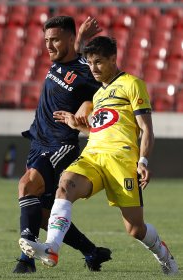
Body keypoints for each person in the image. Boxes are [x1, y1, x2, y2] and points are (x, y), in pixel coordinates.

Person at [19, 36, 179, 276]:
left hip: (121, 160)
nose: (93, 68)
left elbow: (146, 129)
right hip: (93, 155)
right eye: (90, 63)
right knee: (65, 185)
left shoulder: (132, 84)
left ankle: (163, 254)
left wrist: (143, 160)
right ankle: (52, 248)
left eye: (99, 62)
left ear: (113, 59)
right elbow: (101, 128)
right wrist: (76, 125)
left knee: (135, 228)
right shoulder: (97, 96)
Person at [13, 16, 112, 274]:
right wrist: (78, 37)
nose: (49, 46)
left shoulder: (89, 72)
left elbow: (103, 95)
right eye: (46, 40)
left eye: (55, 39)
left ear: (69, 39)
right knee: (44, 213)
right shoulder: (60, 61)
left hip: (60, 145)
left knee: (27, 184)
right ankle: (92, 252)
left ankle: (26, 259)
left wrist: (87, 106)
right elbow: (74, 53)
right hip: (38, 141)